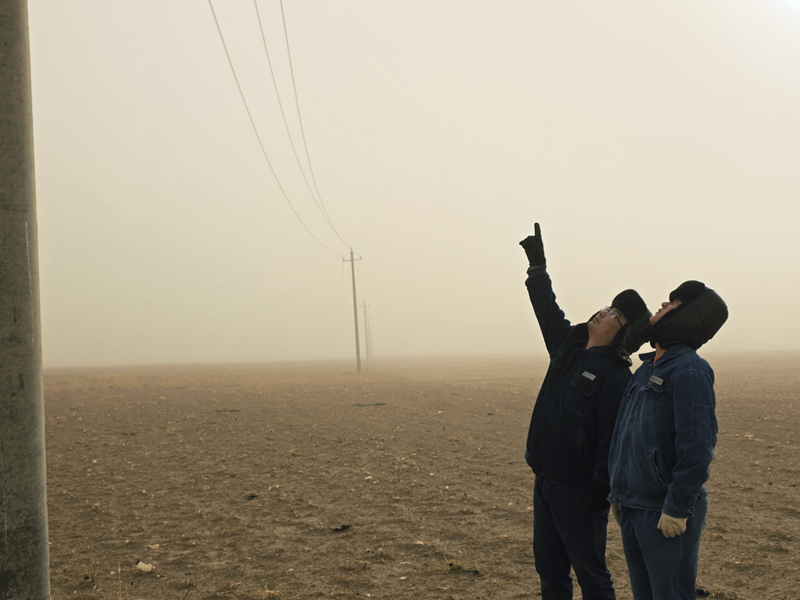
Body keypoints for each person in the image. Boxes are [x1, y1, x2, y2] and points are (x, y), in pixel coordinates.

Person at [519, 223, 651, 600]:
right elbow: (546, 308)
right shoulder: (568, 346)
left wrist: (599, 488)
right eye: (608, 307)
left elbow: (611, 439)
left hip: (578, 492)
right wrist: (538, 269)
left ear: (624, 334)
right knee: (550, 572)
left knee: (592, 577)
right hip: (545, 478)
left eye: (615, 315)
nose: (603, 312)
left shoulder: (617, 377)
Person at [607, 281, 728, 600]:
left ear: (689, 316)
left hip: (663, 511)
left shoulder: (691, 371)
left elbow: (698, 447)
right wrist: (619, 495)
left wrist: (677, 507)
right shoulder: (645, 369)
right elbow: (624, 434)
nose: (663, 304)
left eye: (673, 303)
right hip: (633, 506)